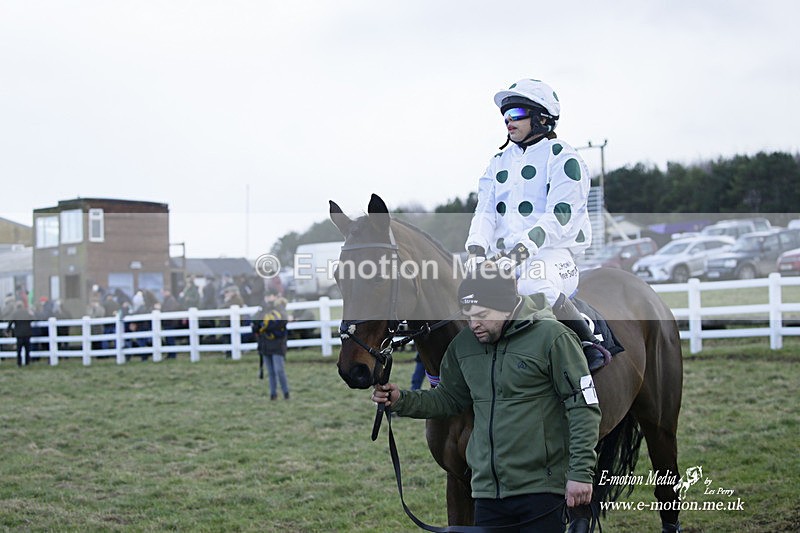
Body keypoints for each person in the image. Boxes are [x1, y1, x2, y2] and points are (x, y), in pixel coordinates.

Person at [372, 266, 601, 531]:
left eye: (481, 315)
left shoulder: (553, 337)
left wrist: (581, 474)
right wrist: (401, 399)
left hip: (541, 489)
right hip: (486, 493)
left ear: (506, 307)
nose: (473, 324)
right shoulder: (464, 345)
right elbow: (449, 399)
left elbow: (583, 407)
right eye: (468, 316)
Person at [464, 78, 606, 371]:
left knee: (532, 282)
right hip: (504, 259)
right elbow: (485, 213)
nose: (508, 122)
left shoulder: (565, 158)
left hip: (554, 257)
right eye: (505, 116)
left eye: (516, 115)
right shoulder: (497, 162)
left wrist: (518, 255)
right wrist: (476, 253)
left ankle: (589, 342)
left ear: (542, 118)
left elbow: (558, 217)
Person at [253, 289, 290, 400]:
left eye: (271, 295)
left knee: (279, 369)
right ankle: (273, 393)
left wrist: (266, 327)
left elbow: (282, 323)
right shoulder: (262, 309)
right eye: (267, 296)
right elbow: (255, 324)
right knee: (270, 371)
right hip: (265, 343)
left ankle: (285, 392)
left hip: (277, 344)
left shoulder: (280, 309)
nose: (269, 298)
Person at [8, 301, 35, 367]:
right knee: (27, 350)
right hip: (27, 333)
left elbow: (11, 322)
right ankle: (27, 363)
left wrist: (8, 330)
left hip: (19, 334)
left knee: (19, 350)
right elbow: (33, 319)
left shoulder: (15, 313)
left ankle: (19, 363)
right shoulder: (26, 312)